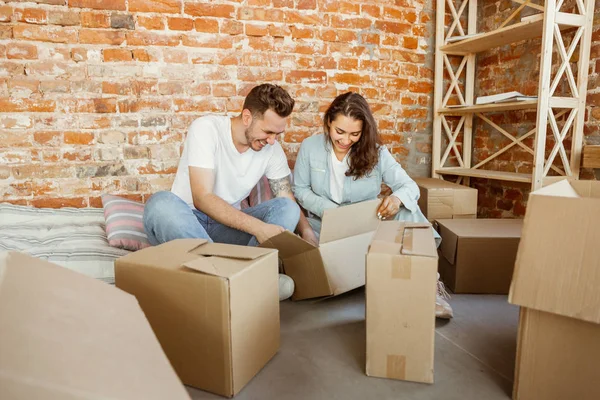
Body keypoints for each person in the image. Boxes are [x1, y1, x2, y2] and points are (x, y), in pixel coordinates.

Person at [143, 84, 315, 301]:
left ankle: (227, 281)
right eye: (268, 131)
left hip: (226, 228)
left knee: (288, 208)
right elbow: (202, 198)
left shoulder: (272, 150)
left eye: (277, 134)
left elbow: (286, 197)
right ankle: (247, 283)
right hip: (185, 224)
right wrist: (259, 228)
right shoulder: (207, 129)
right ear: (246, 117)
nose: (272, 140)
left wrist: (308, 233)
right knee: (160, 204)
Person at [292, 92, 453, 319]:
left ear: (363, 131)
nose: (346, 140)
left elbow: (409, 186)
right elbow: (300, 189)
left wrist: (396, 199)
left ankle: (428, 285)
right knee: (292, 225)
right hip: (325, 222)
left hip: (368, 223)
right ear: (329, 121)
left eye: (354, 134)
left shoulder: (376, 152)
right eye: (339, 132)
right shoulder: (310, 147)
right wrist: (330, 210)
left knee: (408, 207)